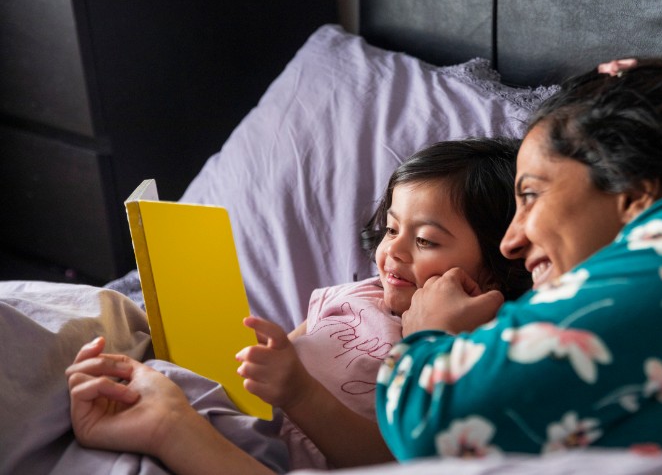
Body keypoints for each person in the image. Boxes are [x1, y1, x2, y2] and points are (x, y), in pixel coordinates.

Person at [377, 39, 662, 459]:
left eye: (531, 195)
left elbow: (431, 420)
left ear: (632, 191)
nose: (510, 242)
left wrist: (428, 334)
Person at [65, 137, 529, 473]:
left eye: (426, 239)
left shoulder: (472, 350)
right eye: (391, 229)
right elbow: (279, 354)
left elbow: (391, 459)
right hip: (221, 410)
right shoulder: (355, 293)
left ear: (496, 264)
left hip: (256, 456)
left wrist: (299, 392)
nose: (395, 251)